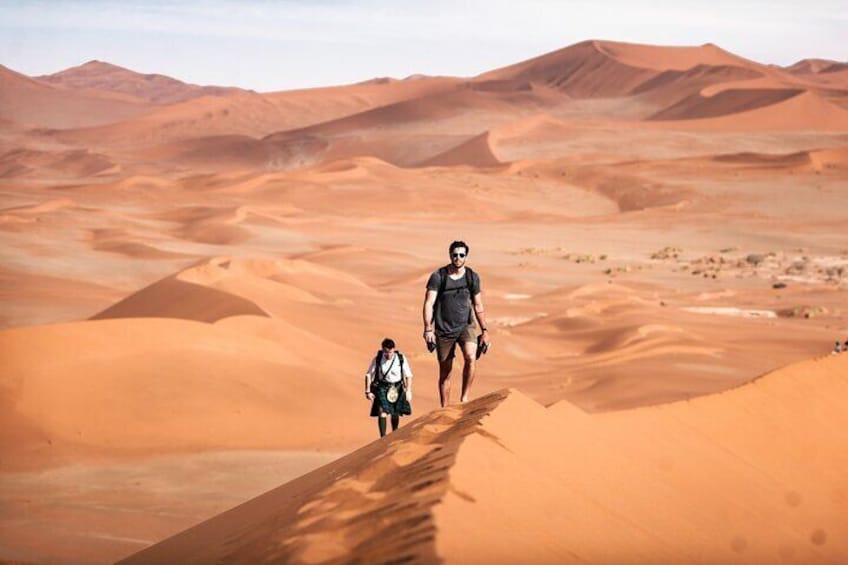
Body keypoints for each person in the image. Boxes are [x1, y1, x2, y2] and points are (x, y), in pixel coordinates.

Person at [422, 240, 490, 407]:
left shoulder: (471, 277)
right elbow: (429, 303)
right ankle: (445, 408)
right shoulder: (438, 277)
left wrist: (485, 330)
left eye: (461, 255)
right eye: (455, 255)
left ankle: (464, 398)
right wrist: (428, 329)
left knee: (470, 356)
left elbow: (478, 304)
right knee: (445, 372)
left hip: (466, 325)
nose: (458, 258)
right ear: (450, 255)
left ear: (466, 257)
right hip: (443, 330)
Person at [365, 338, 412, 437]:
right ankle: (383, 437)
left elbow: (408, 375)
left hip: (397, 387)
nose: (388, 355)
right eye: (386, 352)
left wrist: (408, 391)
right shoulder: (378, 359)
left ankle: (394, 433)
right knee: (382, 412)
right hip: (382, 387)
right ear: (382, 349)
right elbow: (368, 375)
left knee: (395, 413)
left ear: (394, 349)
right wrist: (367, 391)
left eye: (390, 352)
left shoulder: (400, 358)